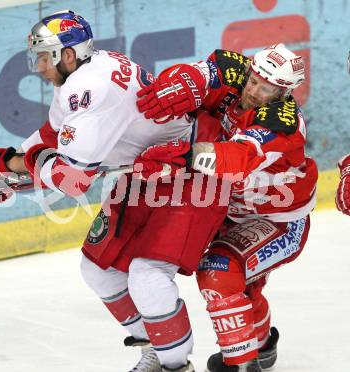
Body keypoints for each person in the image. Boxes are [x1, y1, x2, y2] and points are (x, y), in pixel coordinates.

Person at [0, 10, 229, 372]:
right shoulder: (86, 73)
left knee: (147, 276)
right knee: (99, 270)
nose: (40, 67)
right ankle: (156, 351)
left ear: (68, 55)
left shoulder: (89, 88)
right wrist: (2, 165)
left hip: (187, 177)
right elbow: (51, 138)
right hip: (145, 175)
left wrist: (17, 166)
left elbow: (71, 180)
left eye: (44, 57)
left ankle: (175, 365)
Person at [135, 44, 318, 372]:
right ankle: (261, 347)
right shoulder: (236, 70)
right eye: (254, 80)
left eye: (267, 88)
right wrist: (183, 83)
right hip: (233, 209)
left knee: (219, 270)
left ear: (284, 92)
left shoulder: (282, 122)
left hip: (280, 219)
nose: (254, 90)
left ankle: (241, 365)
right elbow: (205, 74)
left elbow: (238, 157)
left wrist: (186, 155)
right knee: (245, 287)